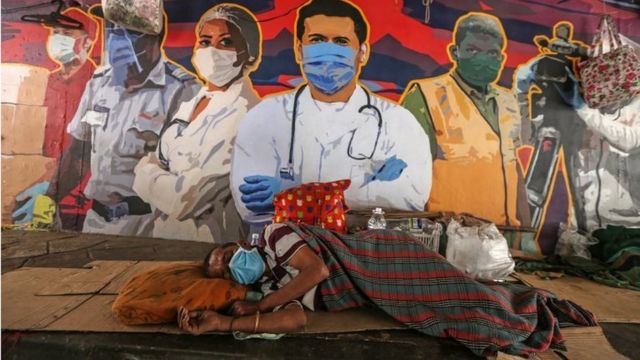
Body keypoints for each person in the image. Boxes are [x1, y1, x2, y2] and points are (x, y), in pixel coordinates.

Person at [179, 222, 596, 357]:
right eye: (227, 271)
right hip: (375, 291)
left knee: (467, 299)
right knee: (451, 313)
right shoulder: (267, 284)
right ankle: (515, 310)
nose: (234, 264)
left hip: (379, 258)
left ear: (240, 243)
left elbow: (319, 271)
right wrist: (223, 322)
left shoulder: (274, 234)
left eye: (230, 254)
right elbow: (295, 319)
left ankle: (529, 307)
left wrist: (264, 302)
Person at [229, 0, 432, 220]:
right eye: (317, 40)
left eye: (341, 41)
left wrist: (292, 192)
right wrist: (366, 192)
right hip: (287, 249)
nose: (328, 50)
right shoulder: (264, 117)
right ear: (299, 50)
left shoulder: (398, 122)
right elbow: (250, 203)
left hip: (364, 250)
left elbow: (409, 197)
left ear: (362, 52)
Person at [13, 6, 200, 236]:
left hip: (150, 225)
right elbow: (78, 152)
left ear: (154, 38)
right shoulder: (100, 83)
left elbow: (189, 175)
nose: (116, 39)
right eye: (113, 29)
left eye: (128, 32)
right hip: (96, 220)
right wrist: (50, 196)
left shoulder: (182, 91)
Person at [132, 4, 261, 243]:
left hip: (208, 244)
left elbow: (184, 200)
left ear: (249, 54)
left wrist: (143, 173)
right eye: (204, 41)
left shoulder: (244, 114)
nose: (212, 51)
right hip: (165, 237)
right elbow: (161, 158)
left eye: (225, 43)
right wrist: (157, 173)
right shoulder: (194, 102)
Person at [400, 12, 529, 227]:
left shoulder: (509, 102)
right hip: (446, 236)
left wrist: (526, 231)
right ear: (454, 52)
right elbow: (405, 175)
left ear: (502, 58)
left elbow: (513, 168)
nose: (483, 59)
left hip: (502, 236)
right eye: (472, 50)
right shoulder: (425, 96)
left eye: (492, 53)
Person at [11, 8, 98, 229]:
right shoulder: (48, 81)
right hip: (39, 190)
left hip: (80, 199)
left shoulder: (97, 85)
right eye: (56, 32)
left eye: (68, 34)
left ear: (87, 43)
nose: (59, 39)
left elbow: (86, 149)